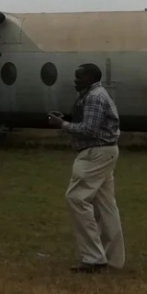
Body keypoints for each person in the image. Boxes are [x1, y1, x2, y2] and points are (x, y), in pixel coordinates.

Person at [47, 63, 125, 273]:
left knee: (76, 198)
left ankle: (93, 258)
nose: (75, 80)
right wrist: (68, 119)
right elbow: (92, 122)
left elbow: (90, 129)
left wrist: (62, 125)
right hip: (105, 151)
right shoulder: (94, 94)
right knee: (106, 205)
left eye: (78, 77)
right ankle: (113, 259)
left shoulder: (94, 97)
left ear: (90, 77)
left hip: (95, 153)